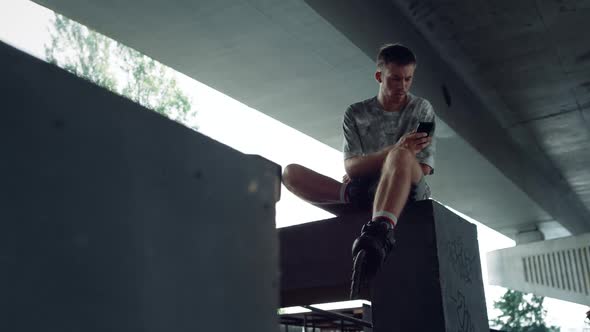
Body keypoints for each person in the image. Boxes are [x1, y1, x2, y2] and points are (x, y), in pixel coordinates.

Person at [282, 43, 436, 283]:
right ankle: (353, 198)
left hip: (409, 188)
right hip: (365, 191)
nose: (403, 86)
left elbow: (423, 167)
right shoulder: (355, 113)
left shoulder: (421, 108)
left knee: (401, 157)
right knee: (290, 173)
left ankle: (381, 230)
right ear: (379, 76)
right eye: (395, 79)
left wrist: (385, 158)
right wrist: (391, 151)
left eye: (408, 79)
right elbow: (351, 168)